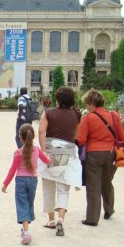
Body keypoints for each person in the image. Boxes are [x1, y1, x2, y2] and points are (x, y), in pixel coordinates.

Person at [76, 88, 124, 226]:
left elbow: (81, 140)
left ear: (92, 103)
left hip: (93, 154)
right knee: (107, 181)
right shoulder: (113, 116)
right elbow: (123, 138)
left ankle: (92, 218)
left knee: (93, 186)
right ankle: (109, 209)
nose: (86, 106)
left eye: (87, 103)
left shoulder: (88, 118)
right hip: (111, 154)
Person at [37, 86, 82, 237]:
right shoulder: (76, 115)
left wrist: (43, 150)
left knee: (48, 188)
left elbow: (41, 131)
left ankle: (51, 220)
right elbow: (76, 135)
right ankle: (61, 218)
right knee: (63, 190)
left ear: (57, 99)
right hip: (67, 153)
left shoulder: (48, 113)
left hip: (50, 152)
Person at [2, 123, 51, 245]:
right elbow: (46, 161)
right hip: (33, 180)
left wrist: (5, 184)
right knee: (28, 203)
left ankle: (27, 232)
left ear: (20, 137)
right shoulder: (37, 150)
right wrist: (50, 158)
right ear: (33, 136)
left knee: (22, 204)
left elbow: (12, 170)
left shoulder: (18, 152)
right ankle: (25, 228)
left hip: (21, 180)